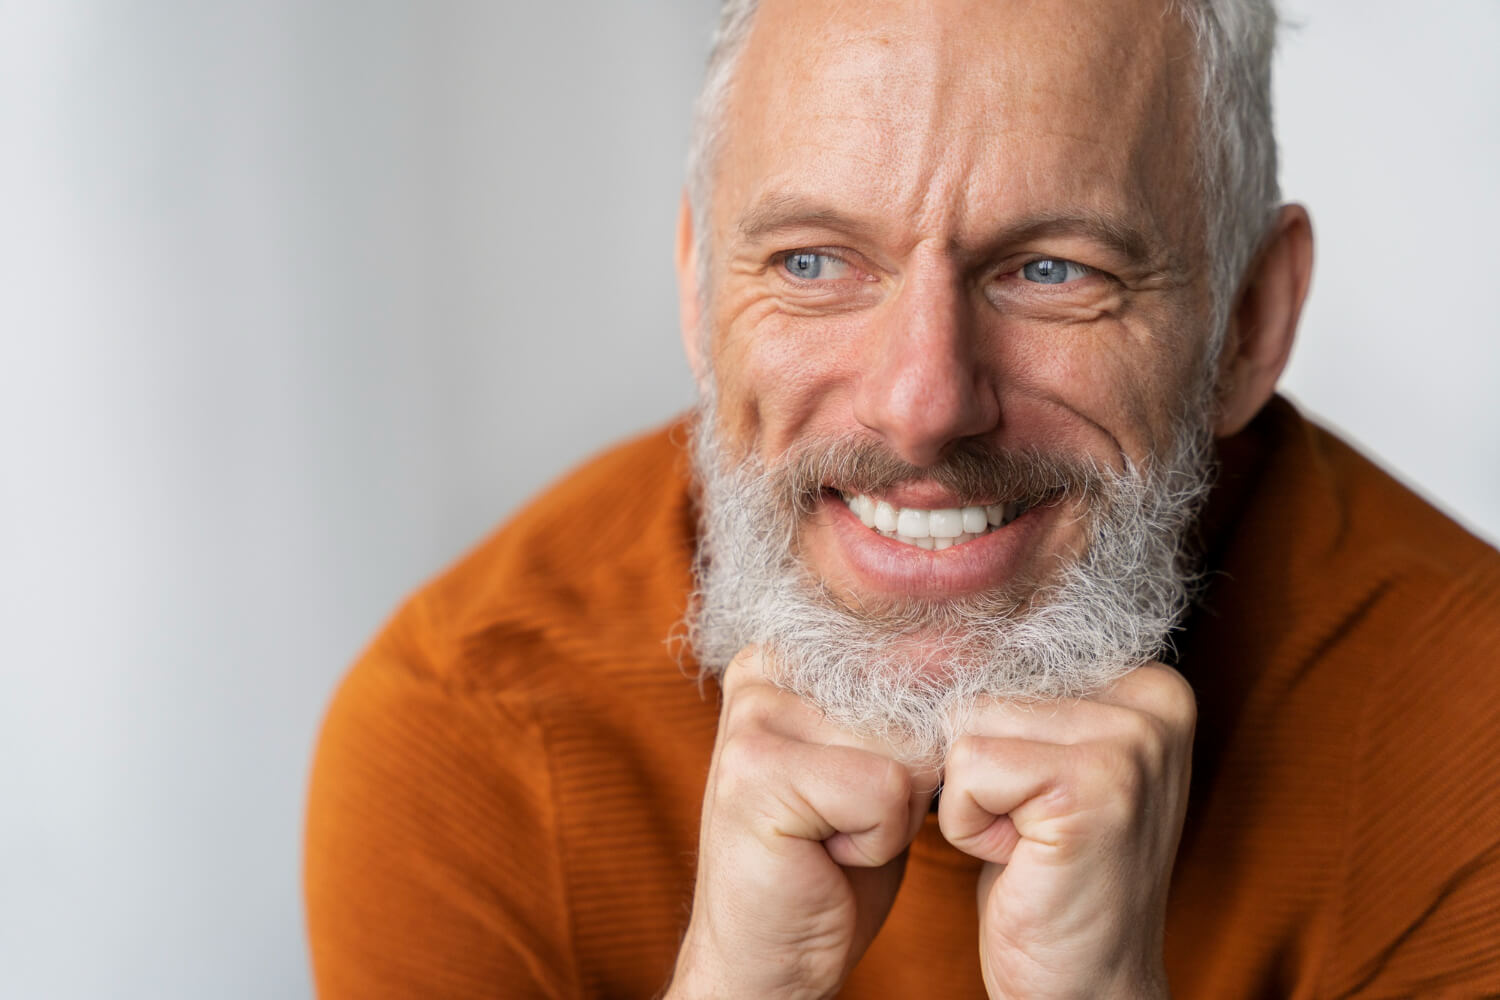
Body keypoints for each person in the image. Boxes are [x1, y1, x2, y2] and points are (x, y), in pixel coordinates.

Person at [304, 0, 1500, 996]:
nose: (923, 403)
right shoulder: (470, 737)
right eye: (815, 261)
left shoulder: (1468, 744)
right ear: (697, 291)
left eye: (1051, 270)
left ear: (1248, 321)